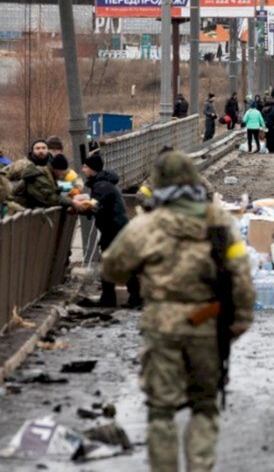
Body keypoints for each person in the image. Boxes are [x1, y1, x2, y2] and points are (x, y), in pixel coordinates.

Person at [101, 150, 254, 472]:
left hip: (162, 326)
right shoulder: (220, 222)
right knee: (205, 406)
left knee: (161, 410)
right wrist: (239, 321)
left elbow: (112, 269)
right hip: (208, 323)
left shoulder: (146, 225)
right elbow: (241, 273)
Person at [80, 153, 139, 308]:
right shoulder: (104, 183)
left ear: (92, 168)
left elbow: (95, 206)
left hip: (114, 228)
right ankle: (131, 296)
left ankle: (112, 298)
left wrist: (80, 208)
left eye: (85, 166)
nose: (82, 169)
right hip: (116, 227)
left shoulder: (101, 186)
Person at [11, 145, 89, 211]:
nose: (64, 174)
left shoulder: (51, 175)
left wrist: (73, 194)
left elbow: (58, 190)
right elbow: (50, 198)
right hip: (18, 210)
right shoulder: (40, 177)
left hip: (28, 212)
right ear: (57, 169)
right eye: (63, 172)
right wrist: (72, 202)